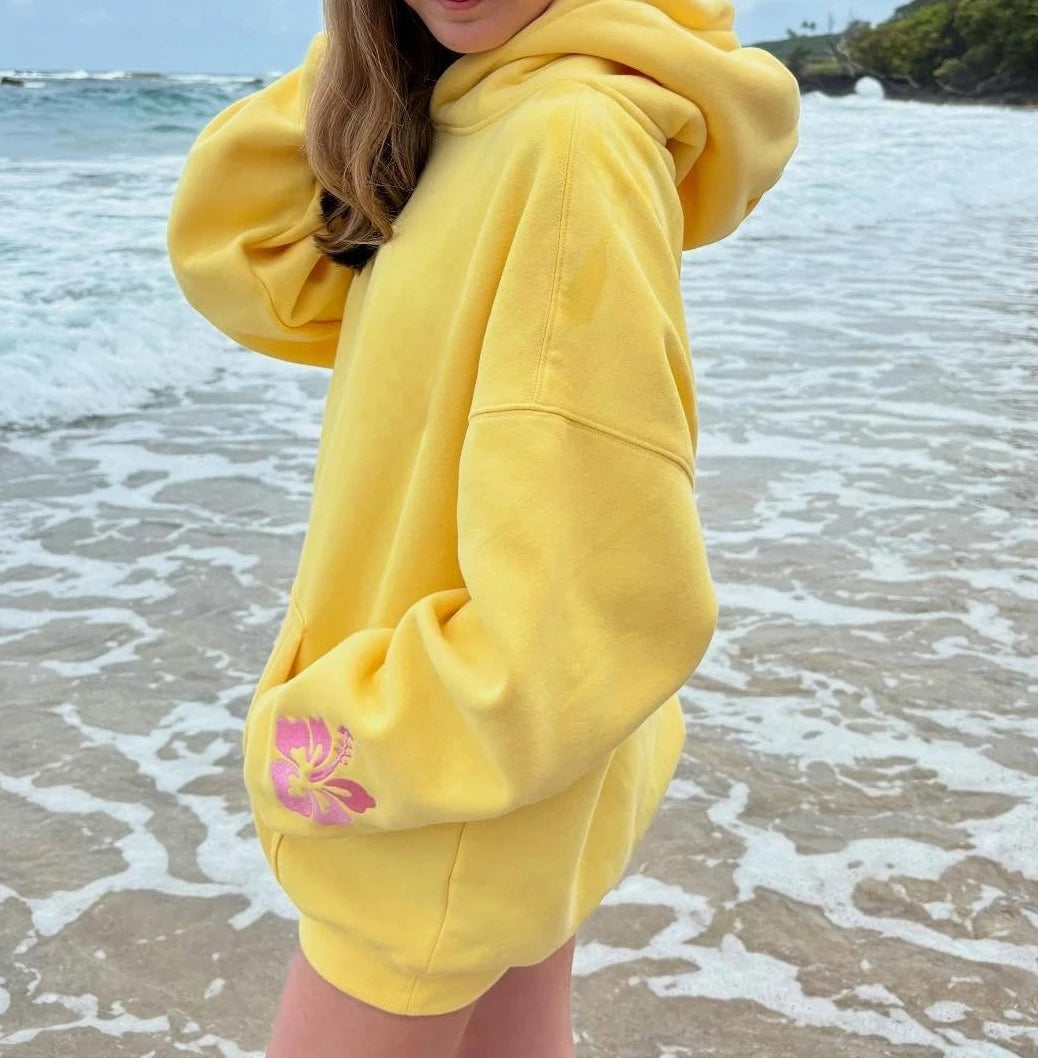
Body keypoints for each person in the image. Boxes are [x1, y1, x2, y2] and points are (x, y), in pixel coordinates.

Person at [166, 0, 800, 1053]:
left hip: (441, 779)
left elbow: (599, 599)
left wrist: (325, 744)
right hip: (506, 775)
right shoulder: (467, 115)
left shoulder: (566, 138)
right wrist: (376, 50)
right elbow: (252, 255)